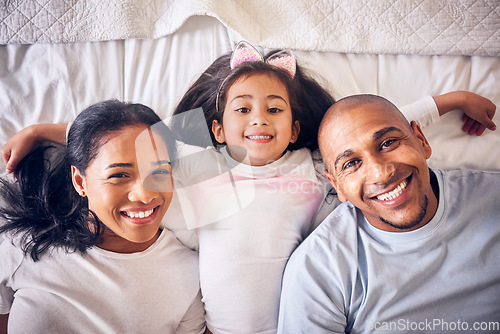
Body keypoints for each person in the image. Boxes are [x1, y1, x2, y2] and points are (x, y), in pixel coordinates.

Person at [0, 42, 497, 334]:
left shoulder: (312, 166)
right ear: (218, 126)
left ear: (295, 126)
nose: (259, 119)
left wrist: (452, 99)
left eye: (275, 109)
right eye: (242, 109)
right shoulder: (199, 161)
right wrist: (47, 135)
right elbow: (119, 147)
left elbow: (378, 128)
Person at [277, 94, 500, 333]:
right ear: (337, 185)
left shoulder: (493, 199)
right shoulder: (319, 269)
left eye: (388, 143)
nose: (381, 174)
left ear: (421, 139)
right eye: (351, 163)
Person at [0, 100, 205, 334]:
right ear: (80, 181)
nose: (145, 195)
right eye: (119, 175)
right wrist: (36, 132)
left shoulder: (189, 276)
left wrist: (38, 131)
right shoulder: (27, 247)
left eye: (158, 172)